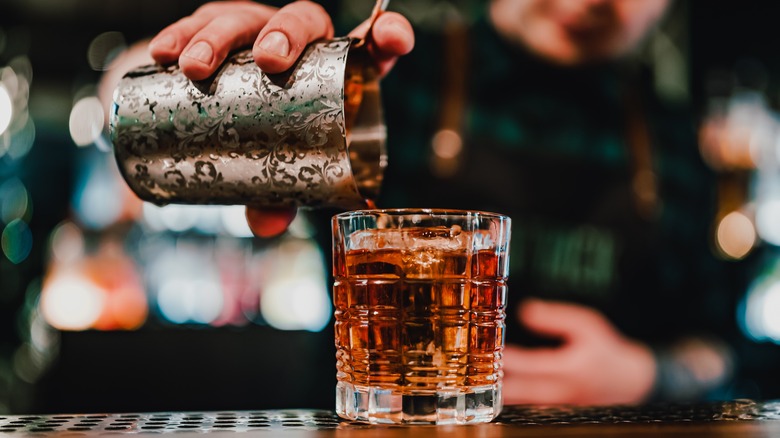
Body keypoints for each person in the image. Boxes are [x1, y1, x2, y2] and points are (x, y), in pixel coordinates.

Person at [144, 0, 757, 405]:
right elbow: (131, 124)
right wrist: (222, 86)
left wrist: (650, 377)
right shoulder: (391, 75)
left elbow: (723, 346)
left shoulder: (676, 135)